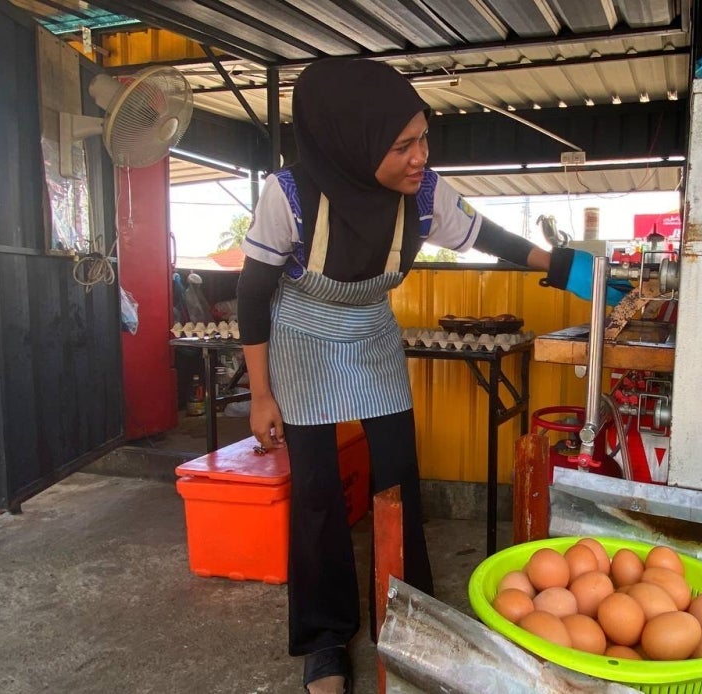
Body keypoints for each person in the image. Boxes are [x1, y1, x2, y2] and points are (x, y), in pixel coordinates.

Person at [236, 57, 629, 694]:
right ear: (352, 143)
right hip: (302, 337)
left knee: (398, 478)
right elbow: (252, 295)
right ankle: (325, 642)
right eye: (403, 145)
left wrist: (564, 266)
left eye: (424, 137)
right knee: (316, 495)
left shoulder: (421, 192)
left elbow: (486, 235)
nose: (421, 156)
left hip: (370, 332)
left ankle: (407, 615)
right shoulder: (290, 196)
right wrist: (260, 395)